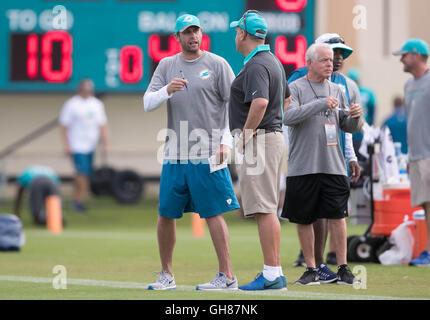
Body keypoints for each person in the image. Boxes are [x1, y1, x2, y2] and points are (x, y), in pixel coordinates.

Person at [143, 14, 240, 290]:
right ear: (177, 37)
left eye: (196, 30)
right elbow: (148, 103)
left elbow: (234, 106)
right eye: (187, 32)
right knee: (165, 215)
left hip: (208, 153)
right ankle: (167, 274)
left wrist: (227, 143)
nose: (193, 36)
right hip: (174, 154)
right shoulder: (166, 65)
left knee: (213, 213)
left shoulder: (217, 64)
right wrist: (166, 90)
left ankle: (227, 276)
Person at [282, 43, 363, 285]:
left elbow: (345, 125)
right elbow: (288, 117)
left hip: (333, 165)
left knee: (338, 216)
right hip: (303, 165)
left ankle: (343, 267)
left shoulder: (338, 89)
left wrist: (356, 118)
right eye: (324, 60)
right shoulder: (294, 88)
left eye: (331, 60)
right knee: (304, 218)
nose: (331, 63)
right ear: (309, 63)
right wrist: (319, 104)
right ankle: (311, 268)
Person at [228, 10, 291, 291]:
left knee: (264, 209)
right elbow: (286, 100)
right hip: (271, 137)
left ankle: (271, 274)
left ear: (243, 33)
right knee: (266, 207)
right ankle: (273, 272)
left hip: (262, 141)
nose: (235, 35)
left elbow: (261, 103)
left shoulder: (255, 65)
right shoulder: (273, 61)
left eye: (236, 31)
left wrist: (244, 137)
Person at [393, 38, 430, 266]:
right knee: (425, 205)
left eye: (404, 55)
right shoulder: (408, 85)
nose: (401, 60)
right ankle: (426, 251)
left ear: (416, 55)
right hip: (416, 155)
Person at [59, 79, 109, 212]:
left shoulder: (96, 104)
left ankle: (79, 198)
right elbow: (64, 126)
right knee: (82, 173)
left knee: (85, 174)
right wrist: (67, 145)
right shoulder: (71, 104)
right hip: (77, 145)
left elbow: (102, 125)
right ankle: (78, 200)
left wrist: (105, 142)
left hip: (91, 145)